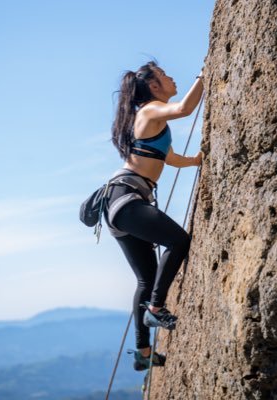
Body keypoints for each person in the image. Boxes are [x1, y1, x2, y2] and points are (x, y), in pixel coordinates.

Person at [104, 61, 204, 371]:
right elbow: (186, 109)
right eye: (166, 77)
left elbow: (169, 157)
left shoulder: (150, 121)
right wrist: (205, 74)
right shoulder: (148, 111)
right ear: (154, 88)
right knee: (177, 241)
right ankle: (156, 309)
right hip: (127, 201)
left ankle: (143, 351)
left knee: (145, 279)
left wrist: (196, 161)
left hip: (119, 206)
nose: (173, 78)